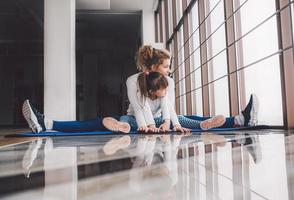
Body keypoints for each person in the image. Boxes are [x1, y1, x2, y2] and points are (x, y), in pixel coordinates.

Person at [22, 44, 259, 134]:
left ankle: (238, 119)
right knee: (104, 121)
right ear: (154, 66)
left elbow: (169, 105)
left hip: (161, 120)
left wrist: (171, 124)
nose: (169, 69)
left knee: (191, 119)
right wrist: (147, 127)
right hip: (138, 118)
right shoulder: (133, 80)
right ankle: (47, 124)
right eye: (166, 66)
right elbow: (139, 106)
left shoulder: (170, 81)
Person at [103, 71, 226, 133]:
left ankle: (202, 124)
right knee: (125, 118)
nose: (166, 91)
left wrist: (172, 124)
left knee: (180, 118)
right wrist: (148, 126)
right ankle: (122, 126)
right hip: (136, 120)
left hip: (156, 120)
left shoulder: (163, 95)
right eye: (164, 89)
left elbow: (168, 109)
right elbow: (141, 111)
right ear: (152, 91)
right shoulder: (141, 95)